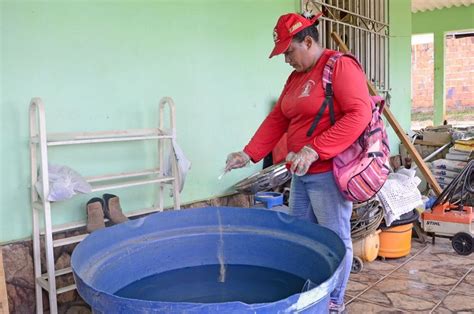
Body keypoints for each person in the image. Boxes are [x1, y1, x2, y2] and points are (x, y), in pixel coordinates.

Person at [225, 12, 372, 313]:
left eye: (288, 51)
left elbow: (359, 114)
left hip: (328, 173)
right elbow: (278, 118)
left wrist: (314, 150)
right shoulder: (295, 78)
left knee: (334, 239)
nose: (286, 59)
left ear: (308, 41)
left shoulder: (339, 66)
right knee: (301, 237)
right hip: (301, 174)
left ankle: (333, 301)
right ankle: (310, 294)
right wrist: (248, 153)